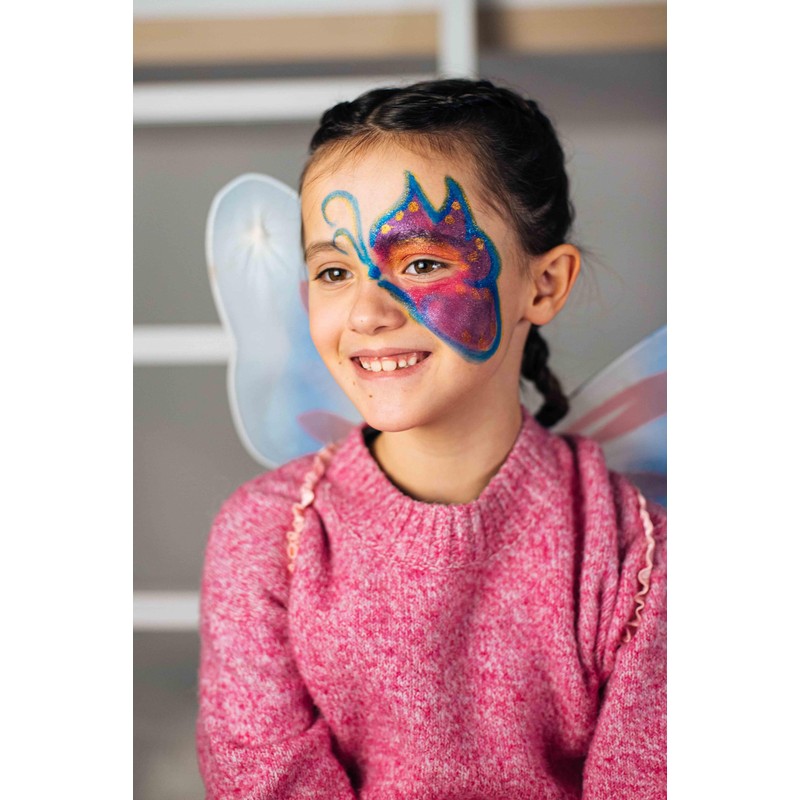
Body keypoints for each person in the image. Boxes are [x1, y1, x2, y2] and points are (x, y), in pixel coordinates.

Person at [196, 78, 666, 799]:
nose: (366, 313)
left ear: (543, 285)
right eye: (333, 271)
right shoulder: (264, 538)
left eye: (421, 263)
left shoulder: (638, 558)